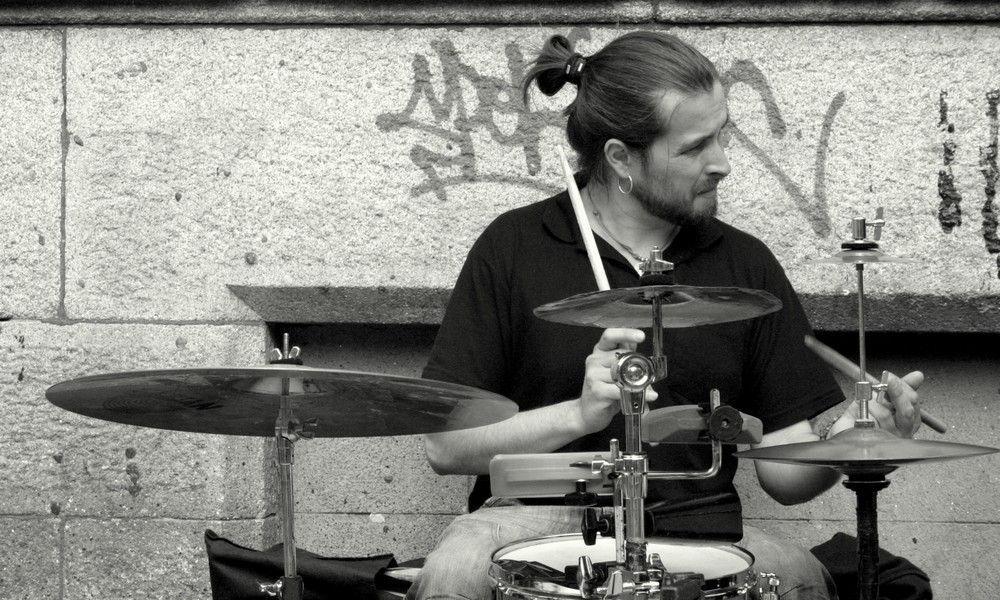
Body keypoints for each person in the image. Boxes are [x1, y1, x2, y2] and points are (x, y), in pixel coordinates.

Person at [405, 31, 923, 600]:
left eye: (721, 136)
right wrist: (579, 414)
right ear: (621, 158)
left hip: (698, 525)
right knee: (454, 576)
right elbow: (445, 448)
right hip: (532, 518)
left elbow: (782, 475)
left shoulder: (743, 264)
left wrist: (856, 437)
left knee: (799, 578)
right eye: (695, 146)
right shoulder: (515, 247)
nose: (722, 163)